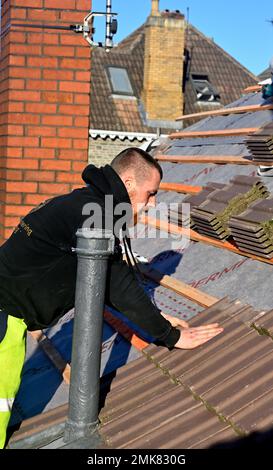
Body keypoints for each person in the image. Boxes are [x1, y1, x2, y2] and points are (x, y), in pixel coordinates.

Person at [0, 147, 223, 448]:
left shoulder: (85, 202)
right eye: (151, 193)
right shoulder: (98, 216)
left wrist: (158, 316)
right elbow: (116, 284)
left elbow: (101, 277)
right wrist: (169, 336)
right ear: (129, 184)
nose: (152, 204)